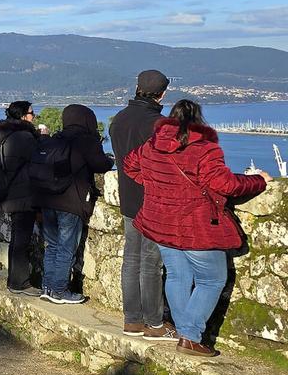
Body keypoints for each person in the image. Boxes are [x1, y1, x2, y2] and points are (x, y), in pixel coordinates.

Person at [124, 100, 270, 357]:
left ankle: (184, 333)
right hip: (198, 227)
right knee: (212, 279)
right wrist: (259, 180)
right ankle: (191, 336)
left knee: (178, 276)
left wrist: (156, 186)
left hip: (161, 223)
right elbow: (226, 184)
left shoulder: (151, 145)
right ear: (198, 121)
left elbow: (129, 165)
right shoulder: (204, 149)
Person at [109, 69, 176, 340]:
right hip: (155, 201)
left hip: (129, 198)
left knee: (131, 259)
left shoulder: (118, 121)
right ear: (162, 94)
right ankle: (154, 324)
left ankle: (132, 320)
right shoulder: (160, 124)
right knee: (151, 263)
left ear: (137, 88)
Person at [33, 105, 114, 304]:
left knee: (52, 245)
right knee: (66, 247)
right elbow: (100, 165)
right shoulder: (86, 141)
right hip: (71, 201)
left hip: (48, 200)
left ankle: (47, 287)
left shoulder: (55, 139)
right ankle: (60, 290)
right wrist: (110, 159)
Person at [0, 101, 42, 296]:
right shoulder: (24, 137)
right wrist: (44, 139)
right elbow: (40, 160)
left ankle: (14, 280)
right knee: (21, 239)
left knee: (17, 237)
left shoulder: (3, 135)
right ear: (23, 116)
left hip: (8, 194)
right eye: (32, 113)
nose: (34, 116)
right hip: (22, 196)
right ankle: (19, 282)